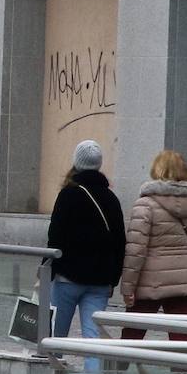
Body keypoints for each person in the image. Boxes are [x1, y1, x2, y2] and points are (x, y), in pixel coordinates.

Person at [47, 140, 126, 344]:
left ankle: (53, 373)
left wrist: (48, 271)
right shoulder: (111, 198)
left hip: (67, 278)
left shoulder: (68, 195)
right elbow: (119, 242)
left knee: (55, 336)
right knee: (93, 340)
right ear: (99, 164)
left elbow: (55, 237)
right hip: (100, 281)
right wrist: (113, 279)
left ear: (76, 162)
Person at [119, 150, 187, 341]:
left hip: (150, 281)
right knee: (180, 338)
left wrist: (128, 289)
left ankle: (117, 371)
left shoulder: (145, 204)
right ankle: (182, 371)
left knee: (131, 335)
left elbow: (136, 250)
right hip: (183, 277)